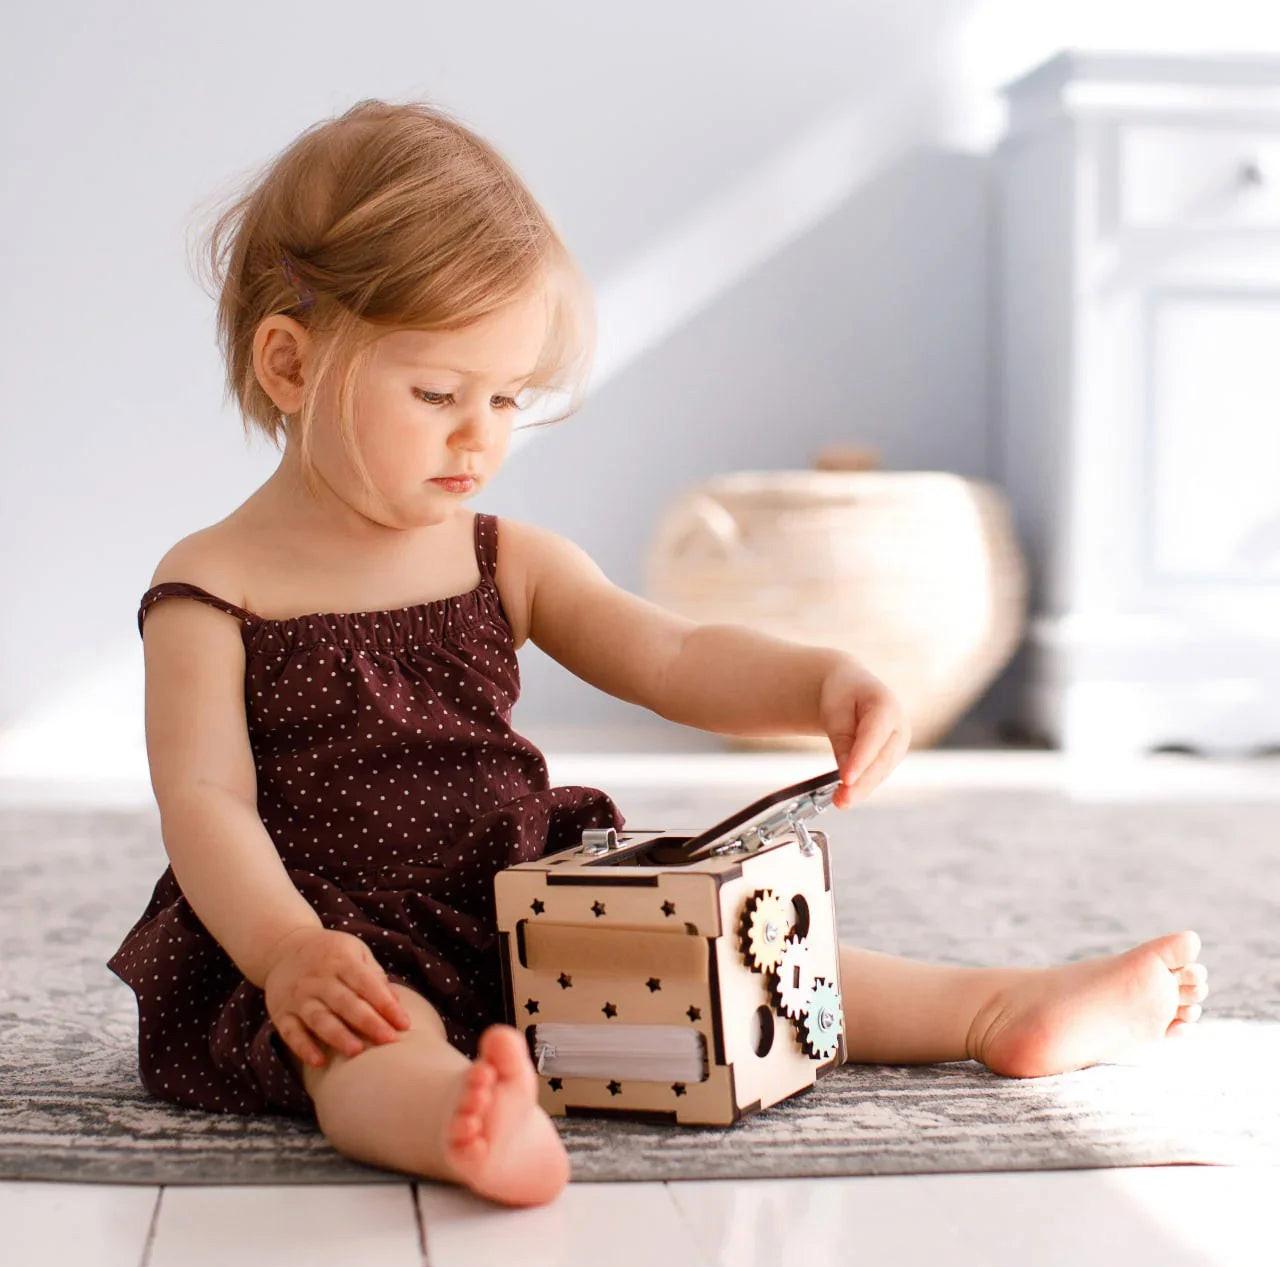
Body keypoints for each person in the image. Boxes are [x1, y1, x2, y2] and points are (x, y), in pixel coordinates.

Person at [107, 98, 1209, 1209]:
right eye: (438, 392)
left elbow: (673, 651)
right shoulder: (215, 584)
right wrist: (288, 948)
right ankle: (457, 1117)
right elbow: (206, 802)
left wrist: (816, 679)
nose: (478, 433)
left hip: (527, 895)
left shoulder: (504, 558)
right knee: (367, 1041)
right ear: (291, 366)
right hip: (335, 931)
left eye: (505, 398)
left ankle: (991, 1007)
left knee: (748, 955)